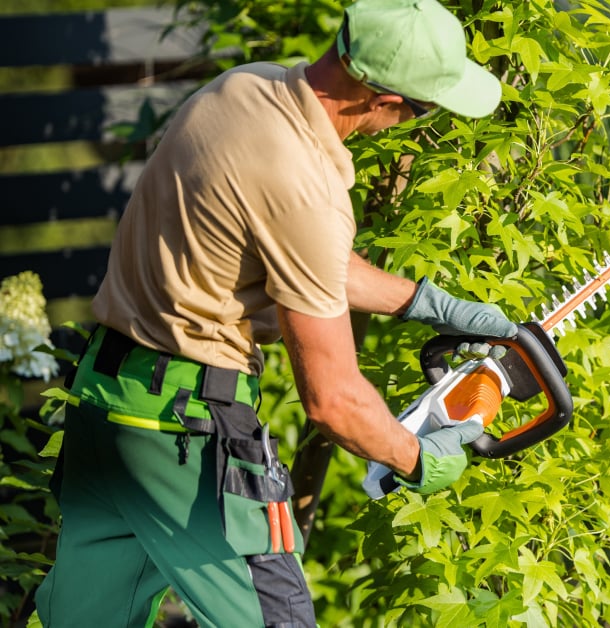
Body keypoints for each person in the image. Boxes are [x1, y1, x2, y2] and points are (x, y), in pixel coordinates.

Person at [34, 0, 515, 625]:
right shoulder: (305, 184)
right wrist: (421, 458)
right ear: (382, 98)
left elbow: (294, 251)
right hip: (184, 442)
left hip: (104, 410)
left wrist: (426, 303)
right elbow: (333, 401)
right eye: (421, 110)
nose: (411, 124)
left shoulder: (244, 90)